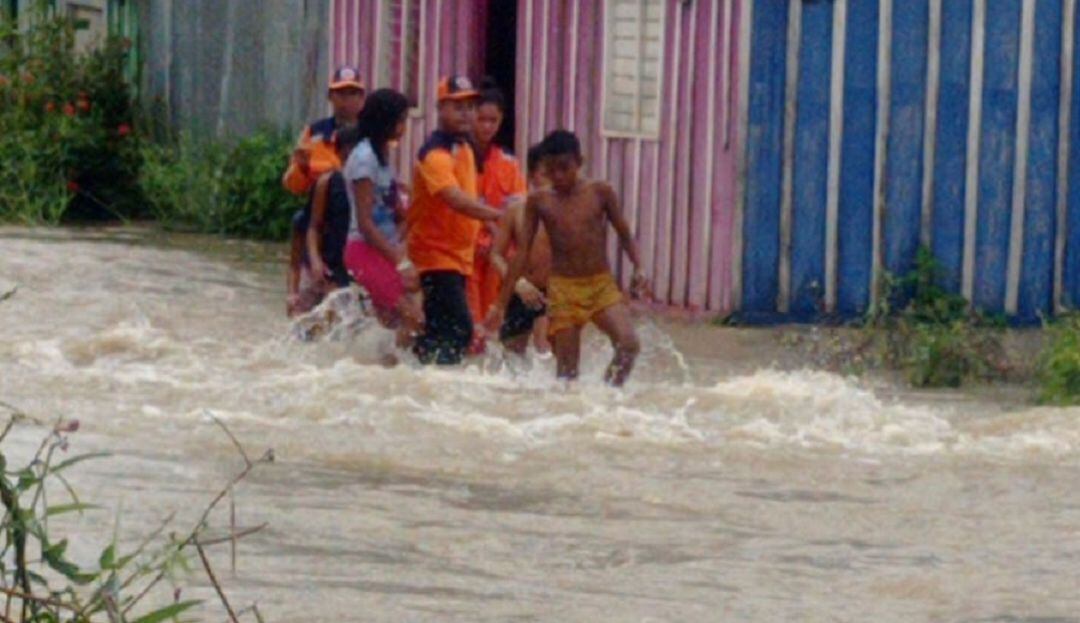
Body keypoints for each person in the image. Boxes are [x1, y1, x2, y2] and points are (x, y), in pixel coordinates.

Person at [486, 130, 649, 387]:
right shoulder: (540, 201)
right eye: (551, 170)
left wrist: (639, 267)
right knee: (567, 376)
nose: (558, 176)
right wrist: (500, 304)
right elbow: (521, 253)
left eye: (565, 168)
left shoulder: (601, 192)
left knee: (629, 345)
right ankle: (569, 416)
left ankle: (608, 397)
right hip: (563, 290)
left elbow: (624, 232)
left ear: (579, 162)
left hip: (600, 285)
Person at [407, 76, 503, 365]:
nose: (466, 113)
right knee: (461, 328)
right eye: (457, 106)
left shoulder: (463, 148)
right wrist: (497, 214)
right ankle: (431, 376)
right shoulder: (434, 155)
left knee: (443, 329)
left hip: (459, 258)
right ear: (440, 108)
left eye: (470, 106)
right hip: (435, 257)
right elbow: (453, 198)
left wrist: (492, 226)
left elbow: (469, 195)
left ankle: (416, 374)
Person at [341, 89, 423, 339]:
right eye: (400, 121)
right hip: (364, 250)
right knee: (413, 318)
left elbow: (393, 209)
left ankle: (384, 371)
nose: (403, 128)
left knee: (392, 322)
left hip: (384, 249)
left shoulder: (382, 154)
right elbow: (365, 223)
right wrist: (400, 260)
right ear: (385, 121)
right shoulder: (365, 159)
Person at [284, 66, 365, 316]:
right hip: (320, 221)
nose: (346, 100)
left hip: (355, 223)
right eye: (341, 93)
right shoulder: (314, 133)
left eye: (353, 93)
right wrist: (302, 167)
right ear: (330, 97)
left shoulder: (372, 134)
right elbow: (292, 184)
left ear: (362, 98)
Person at [467, 80, 527, 345]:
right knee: (469, 328)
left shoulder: (508, 164)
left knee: (491, 331)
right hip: (465, 254)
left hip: (497, 256)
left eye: (494, 120)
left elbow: (517, 211)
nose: (487, 126)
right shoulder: (457, 158)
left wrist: (497, 241)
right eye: (482, 119)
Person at [489, 143, 552, 356]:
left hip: (552, 293)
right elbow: (496, 254)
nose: (552, 179)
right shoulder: (516, 211)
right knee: (511, 356)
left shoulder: (567, 215)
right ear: (533, 176)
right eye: (545, 173)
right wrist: (517, 283)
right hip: (520, 289)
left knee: (545, 351)